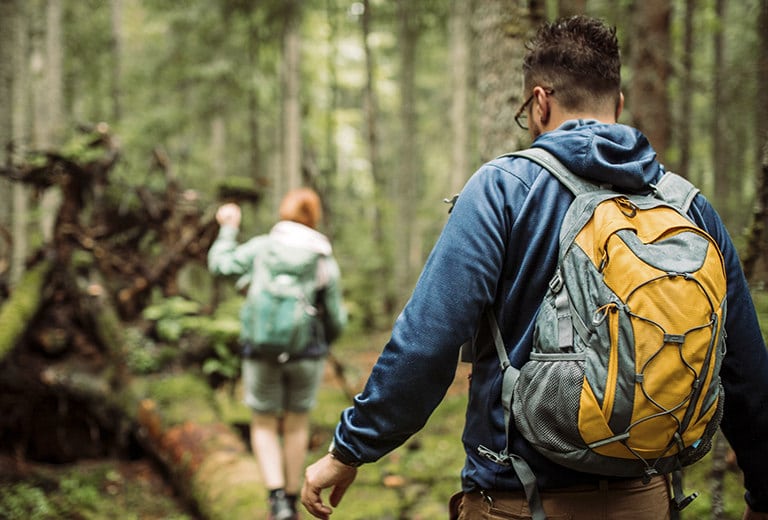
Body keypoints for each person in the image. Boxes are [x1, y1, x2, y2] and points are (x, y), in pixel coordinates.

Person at [301, 15, 768, 520]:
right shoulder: (687, 207)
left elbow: (427, 341)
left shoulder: (503, 188)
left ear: (540, 102)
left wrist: (351, 448)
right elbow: (745, 370)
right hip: (648, 499)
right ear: (619, 104)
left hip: (518, 502)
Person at [209, 187, 347, 520]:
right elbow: (336, 317)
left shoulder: (262, 247)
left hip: (260, 350)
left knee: (264, 423)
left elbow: (220, 265)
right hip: (306, 354)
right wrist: (323, 342)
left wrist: (228, 228)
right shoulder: (322, 257)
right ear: (314, 217)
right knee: (296, 424)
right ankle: (292, 495)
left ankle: (277, 503)